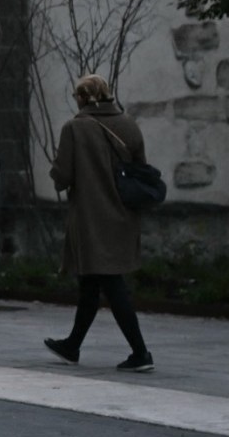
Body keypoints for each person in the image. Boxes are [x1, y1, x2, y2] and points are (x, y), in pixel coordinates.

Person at [43, 74, 154, 372]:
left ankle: (141, 352)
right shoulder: (128, 124)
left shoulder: (75, 128)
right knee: (91, 284)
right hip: (124, 216)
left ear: (82, 97)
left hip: (92, 219)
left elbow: (62, 176)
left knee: (110, 282)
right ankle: (72, 346)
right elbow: (140, 167)